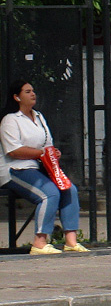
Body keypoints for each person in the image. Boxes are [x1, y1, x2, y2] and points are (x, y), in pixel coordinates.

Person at [1, 80, 88, 254]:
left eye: (33, 91)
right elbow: (14, 151)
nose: (33, 94)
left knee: (69, 189)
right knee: (49, 193)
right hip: (15, 170)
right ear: (16, 97)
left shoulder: (39, 116)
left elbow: (47, 144)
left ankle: (71, 242)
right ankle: (39, 243)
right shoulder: (10, 120)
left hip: (39, 167)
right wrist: (41, 153)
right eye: (27, 92)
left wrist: (53, 152)